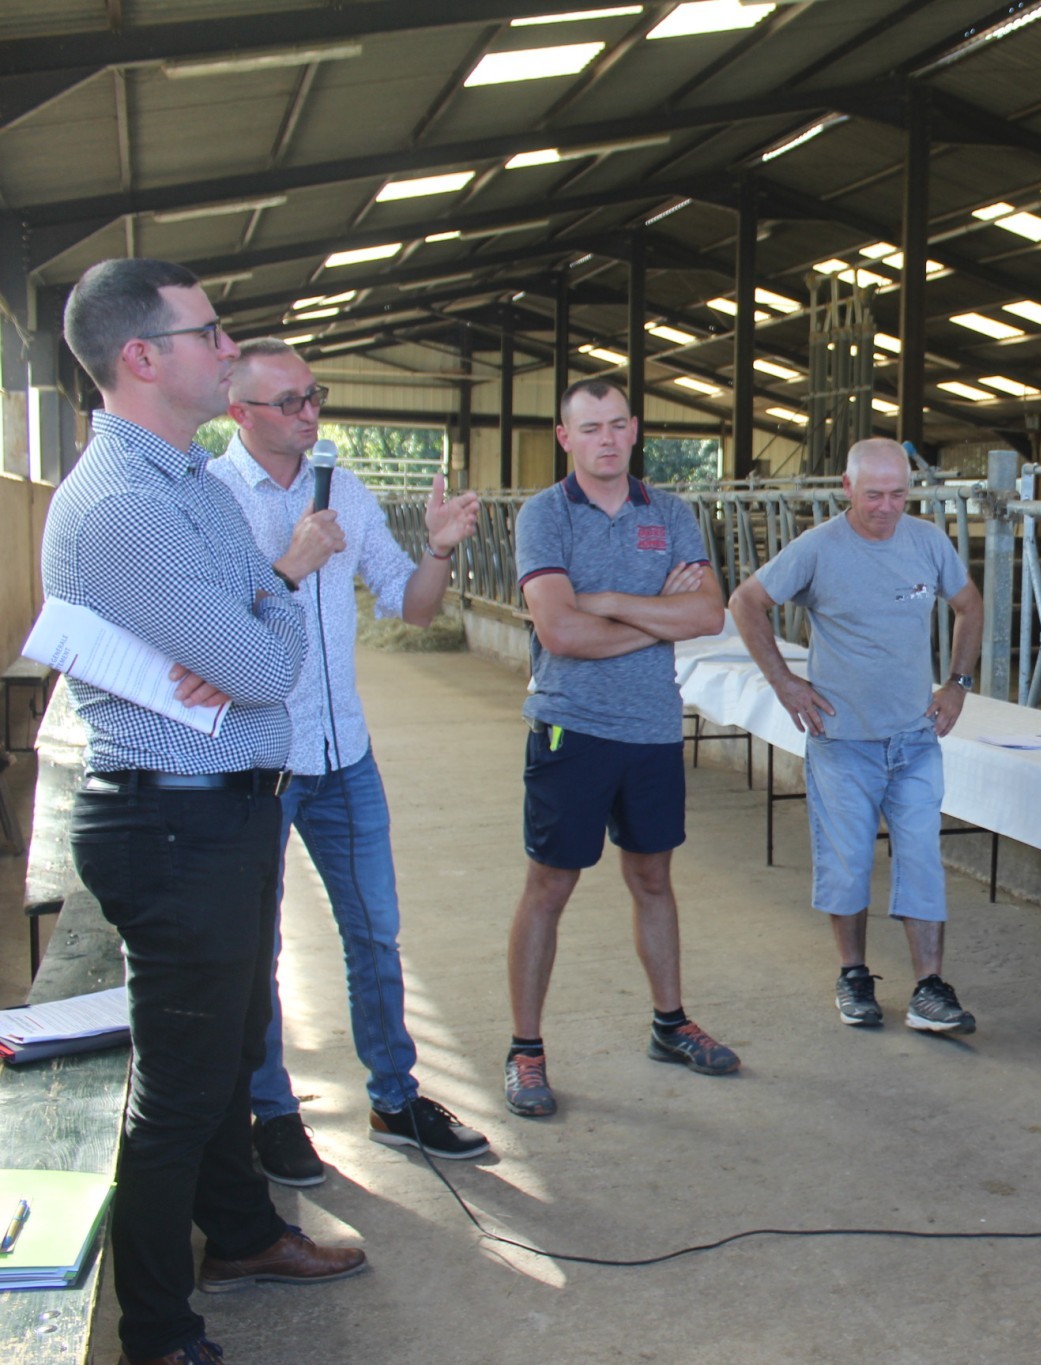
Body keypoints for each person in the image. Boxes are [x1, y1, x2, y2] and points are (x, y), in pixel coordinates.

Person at [41, 259, 365, 1365]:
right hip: (172, 823)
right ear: (144, 357)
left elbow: (250, 619)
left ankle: (238, 1235)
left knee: (228, 1047)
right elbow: (266, 660)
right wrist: (260, 610)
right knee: (180, 1087)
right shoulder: (129, 504)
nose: (227, 352)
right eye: (209, 333)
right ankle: (159, 1327)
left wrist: (251, 611)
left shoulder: (186, 480)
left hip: (218, 813)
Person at [211, 338, 489, 1184]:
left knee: (375, 930)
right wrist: (288, 564)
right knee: (257, 947)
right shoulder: (212, 496)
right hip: (256, 761)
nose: (309, 413)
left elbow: (411, 608)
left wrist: (439, 547)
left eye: (314, 395)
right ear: (240, 414)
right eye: (289, 401)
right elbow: (209, 634)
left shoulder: (348, 487)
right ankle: (273, 1110)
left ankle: (396, 1097)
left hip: (344, 754)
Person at [504, 377, 735, 1118]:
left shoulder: (669, 512)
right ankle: (526, 1048)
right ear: (565, 438)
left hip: (652, 729)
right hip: (572, 724)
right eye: (589, 427)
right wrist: (659, 618)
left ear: (635, 431)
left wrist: (608, 601)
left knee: (655, 880)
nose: (606, 439)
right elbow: (561, 632)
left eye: (617, 425)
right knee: (550, 886)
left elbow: (709, 613)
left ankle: (670, 1023)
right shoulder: (545, 515)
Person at [729, 438, 986, 1032]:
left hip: (915, 738)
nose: (887, 507)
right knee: (847, 863)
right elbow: (746, 601)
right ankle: (853, 974)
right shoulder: (819, 549)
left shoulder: (927, 542)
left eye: (899, 494)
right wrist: (783, 683)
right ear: (846, 488)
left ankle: (928, 987)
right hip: (843, 741)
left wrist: (957, 683)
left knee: (922, 859)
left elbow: (969, 607)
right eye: (873, 495)